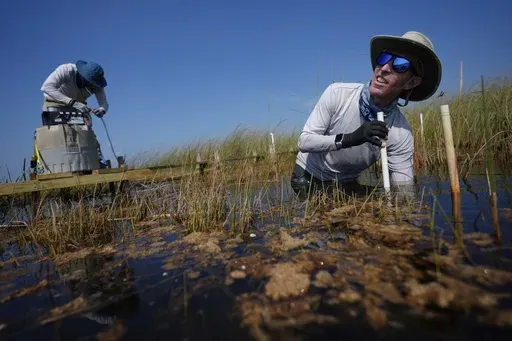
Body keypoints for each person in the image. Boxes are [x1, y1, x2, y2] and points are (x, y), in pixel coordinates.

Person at [291, 31, 442, 199]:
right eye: (383, 58)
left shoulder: (401, 133)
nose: (384, 68)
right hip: (308, 176)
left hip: (347, 182)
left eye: (400, 65)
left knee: (378, 204)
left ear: (411, 82)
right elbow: (304, 141)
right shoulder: (337, 94)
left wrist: (407, 217)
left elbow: (403, 190)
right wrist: (351, 138)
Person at [40, 60, 109, 166]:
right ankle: (55, 165)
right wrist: (71, 102)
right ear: (82, 75)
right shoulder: (66, 70)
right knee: (56, 135)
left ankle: (97, 161)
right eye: (89, 82)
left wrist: (101, 110)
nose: (91, 85)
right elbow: (46, 87)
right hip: (55, 103)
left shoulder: (97, 83)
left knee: (86, 132)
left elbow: (103, 102)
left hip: (78, 106)